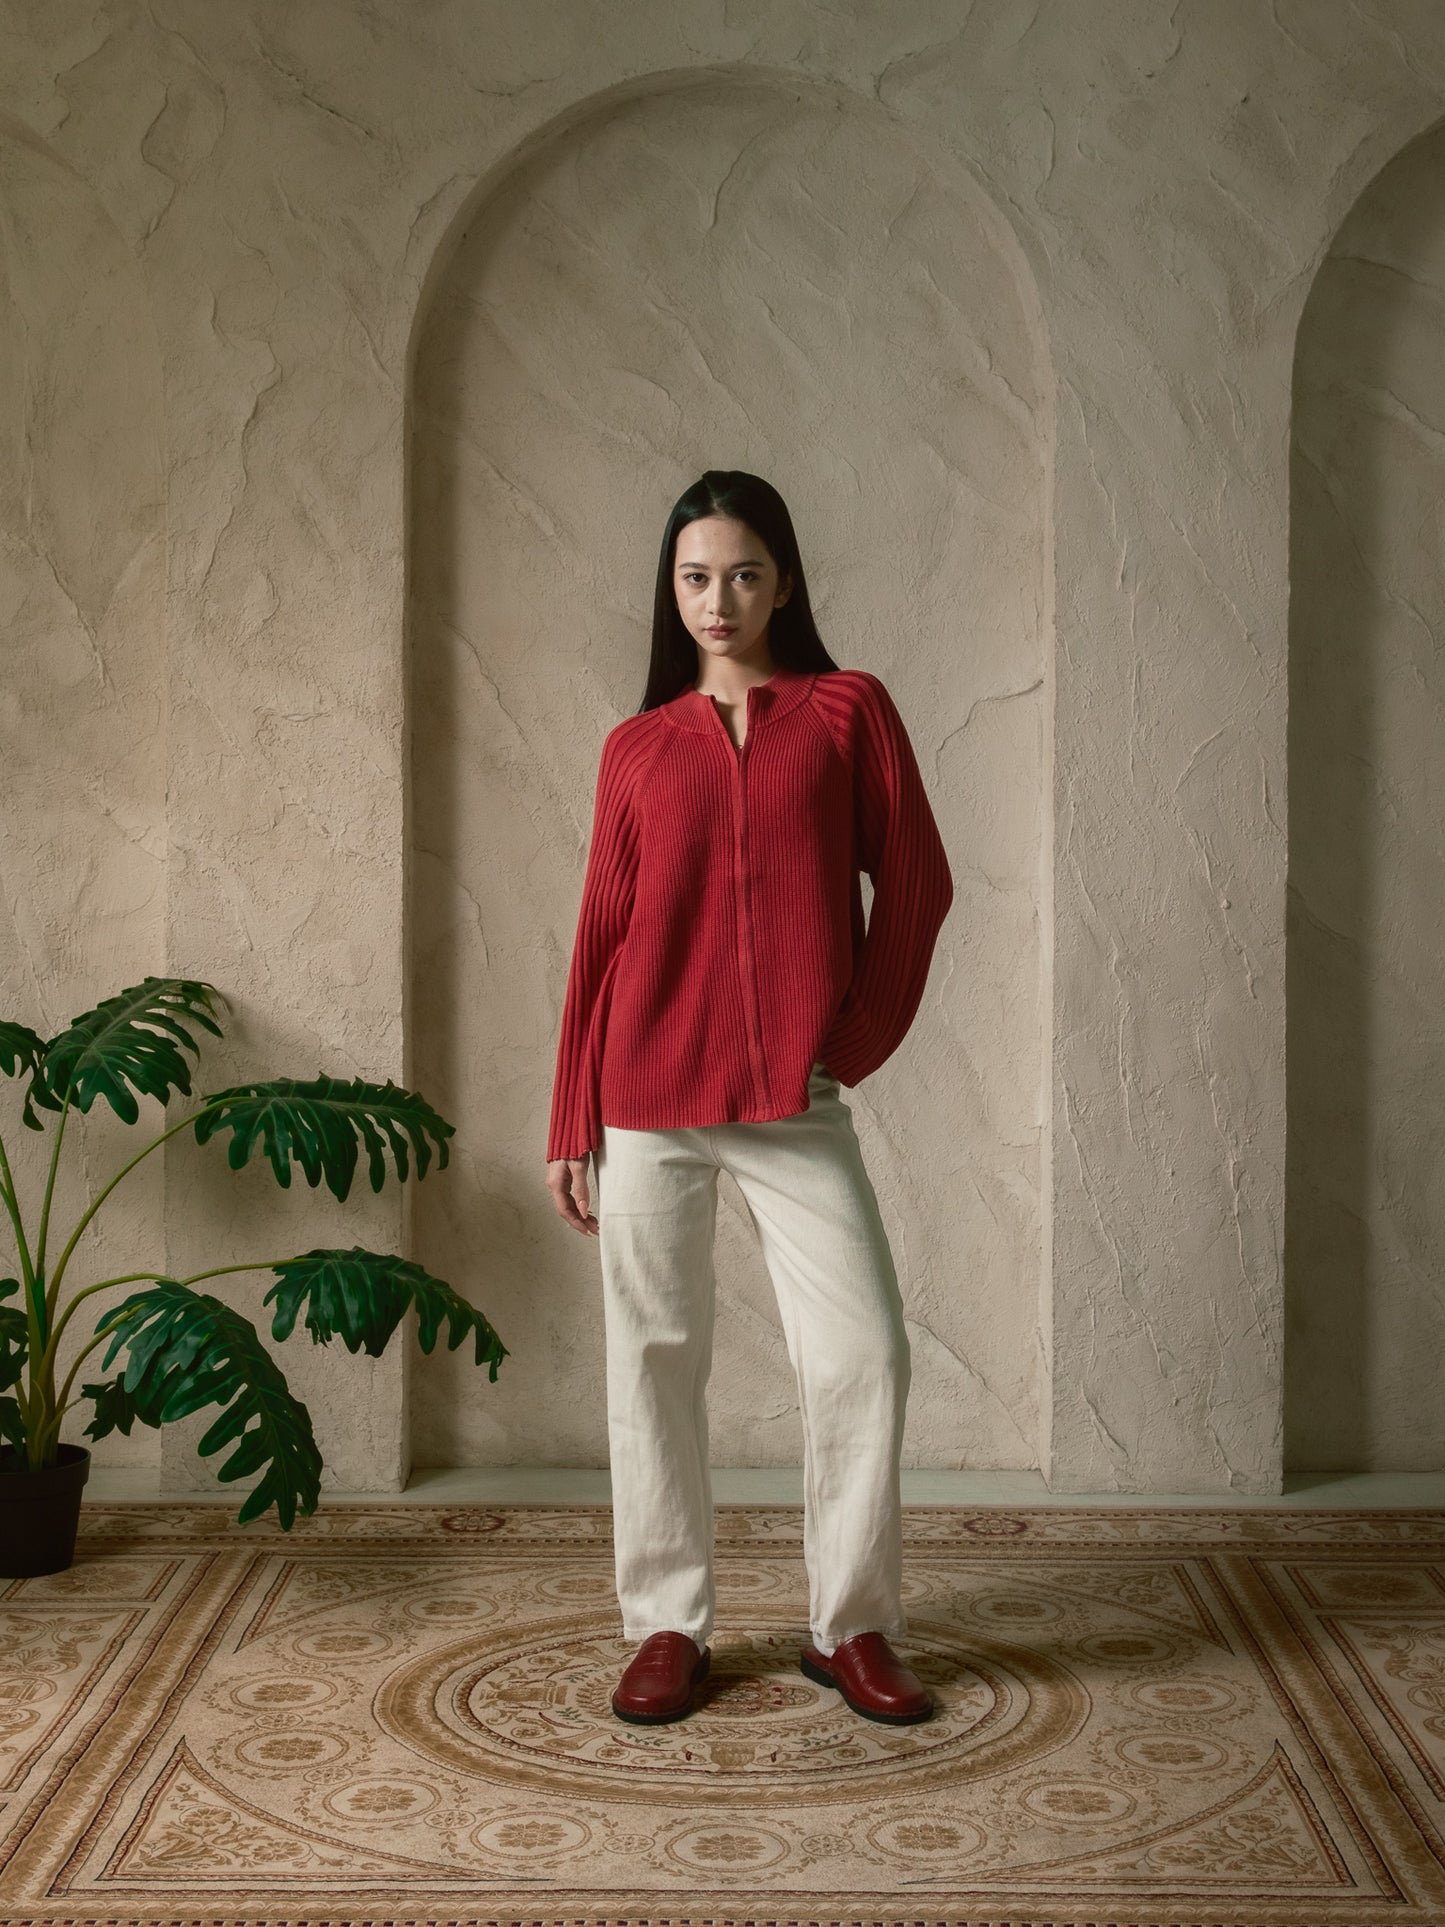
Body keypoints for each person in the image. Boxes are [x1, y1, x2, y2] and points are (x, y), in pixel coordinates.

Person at [544, 469, 953, 1729]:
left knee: (861, 1349)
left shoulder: (845, 713)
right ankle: (666, 1622)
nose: (718, 599)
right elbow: (602, 932)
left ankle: (851, 1626)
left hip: (790, 1094)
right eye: (694, 577)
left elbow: (920, 884)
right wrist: (571, 1115)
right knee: (653, 1362)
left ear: (784, 581)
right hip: (645, 1092)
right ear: (670, 592)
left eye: (742, 573)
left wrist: (851, 1038)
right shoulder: (637, 746)